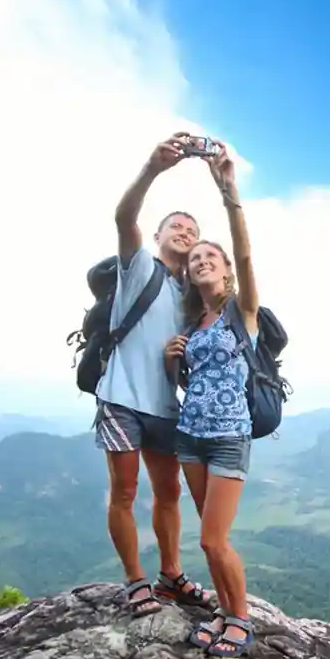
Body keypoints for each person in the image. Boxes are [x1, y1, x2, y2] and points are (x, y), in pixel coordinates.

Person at [97, 132, 216, 618]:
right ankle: (135, 581)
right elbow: (124, 217)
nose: (186, 232)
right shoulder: (138, 265)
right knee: (124, 492)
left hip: (166, 406)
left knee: (169, 493)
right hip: (122, 398)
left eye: (192, 229)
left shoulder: (192, 297)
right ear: (160, 235)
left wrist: (178, 356)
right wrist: (152, 167)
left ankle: (171, 574)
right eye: (177, 227)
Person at [162, 141, 259, 658]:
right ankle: (224, 611)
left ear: (224, 269)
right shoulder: (192, 323)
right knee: (208, 535)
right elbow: (191, 381)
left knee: (212, 540)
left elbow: (245, 251)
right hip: (189, 439)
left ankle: (241, 619)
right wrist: (172, 358)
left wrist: (229, 191)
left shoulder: (240, 312)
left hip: (227, 438)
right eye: (194, 257)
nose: (200, 260)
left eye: (209, 256)